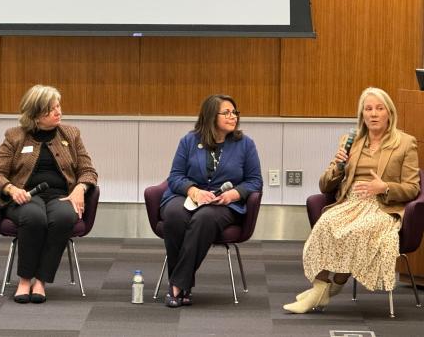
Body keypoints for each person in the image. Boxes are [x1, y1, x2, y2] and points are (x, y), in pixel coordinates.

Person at [283, 87, 420, 313]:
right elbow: (325, 186)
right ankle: (321, 288)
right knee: (325, 224)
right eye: (368, 109)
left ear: (390, 113)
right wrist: (338, 167)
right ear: (362, 115)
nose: (373, 114)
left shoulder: (405, 143)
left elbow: (412, 188)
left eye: (379, 108)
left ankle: (328, 289)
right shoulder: (350, 141)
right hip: (350, 202)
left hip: (382, 207)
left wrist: (384, 187)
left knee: (356, 230)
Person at [0, 85, 98, 304]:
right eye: (50, 109)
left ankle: (41, 281)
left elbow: (88, 171)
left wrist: (79, 188)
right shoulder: (15, 136)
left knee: (64, 218)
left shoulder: (71, 134)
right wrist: (11, 189)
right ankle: (24, 280)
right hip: (26, 196)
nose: (58, 112)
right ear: (35, 115)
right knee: (34, 218)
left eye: (58, 106)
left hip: (61, 196)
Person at [160, 94, 263, 307]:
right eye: (226, 112)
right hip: (188, 197)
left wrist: (232, 194)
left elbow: (255, 181)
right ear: (210, 116)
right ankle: (183, 285)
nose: (232, 116)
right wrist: (194, 191)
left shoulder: (245, 144)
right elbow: (175, 176)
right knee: (174, 215)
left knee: (203, 218)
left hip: (224, 203)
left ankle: (177, 285)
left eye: (235, 112)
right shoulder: (189, 141)